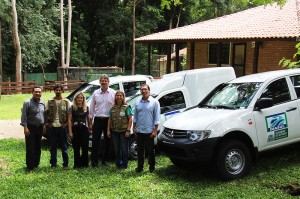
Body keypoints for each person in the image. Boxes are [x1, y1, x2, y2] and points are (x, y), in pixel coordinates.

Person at [89, 74, 116, 167]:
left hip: (109, 121)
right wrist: (90, 123)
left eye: (105, 80)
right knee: (95, 141)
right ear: (100, 82)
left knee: (107, 141)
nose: (104, 82)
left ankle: (105, 161)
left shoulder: (113, 93)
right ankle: (94, 162)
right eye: (102, 80)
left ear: (108, 82)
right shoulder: (95, 93)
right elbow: (91, 109)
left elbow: (117, 107)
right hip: (98, 120)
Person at [133, 84, 160, 173]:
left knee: (150, 151)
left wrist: (155, 130)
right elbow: (135, 116)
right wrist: (134, 127)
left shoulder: (154, 102)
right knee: (140, 151)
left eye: (145, 89)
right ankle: (140, 167)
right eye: (142, 89)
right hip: (140, 130)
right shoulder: (137, 101)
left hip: (150, 131)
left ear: (149, 90)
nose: (143, 91)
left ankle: (151, 167)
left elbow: (157, 118)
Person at [21, 86, 46, 172]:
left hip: (39, 128)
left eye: (39, 92)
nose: (38, 93)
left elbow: (44, 115)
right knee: (30, 148)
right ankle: (30, 167)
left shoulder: (42, 103)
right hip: (30, 128)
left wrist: (44, 125)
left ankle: (36, 164)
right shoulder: (27, 103)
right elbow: (24, 116)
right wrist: (25, 127)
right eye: (36, 92)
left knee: (38, 146)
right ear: (32, 92)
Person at [46, 83, 70, 168]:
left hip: (62, 127)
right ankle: (53, 163)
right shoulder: (50, 101)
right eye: (56, 90)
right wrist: (48, 124)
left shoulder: (66, 102)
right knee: (53, 146)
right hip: (53, 127)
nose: (58, 91)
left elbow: (69, 115)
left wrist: (66, 124)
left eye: (60, 90)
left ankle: (66, 163)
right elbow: (46, 113)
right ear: (54, 91)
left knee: (64, 146)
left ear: (62, 91)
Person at [107, 90, 133, 169]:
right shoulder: (113, 107)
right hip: (114, 131)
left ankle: (124, 165)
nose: (119, 97)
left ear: (123, 97)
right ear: (115, 97)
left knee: (124, 149)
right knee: (116, 149)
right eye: (117, 95)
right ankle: (118, 164)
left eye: (120, 95)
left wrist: (128, 130)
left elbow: (130, 119)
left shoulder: (127, 107)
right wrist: (108, 130)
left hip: (124, 131)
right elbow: (109, 119)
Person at [68, 91, 92, 168]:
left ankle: (85, 164)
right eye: (78, 98)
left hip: (84, 129)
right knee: (76, 148)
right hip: (75, 129)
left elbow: (88, 119)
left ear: (83, 99)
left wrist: (90, 128)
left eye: (81, 98)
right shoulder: (71, 108)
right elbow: (69, 120)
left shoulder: (86, 108)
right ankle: (77, 164)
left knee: (85, 147)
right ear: (75, 99)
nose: (79, 99)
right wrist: (70, 132)